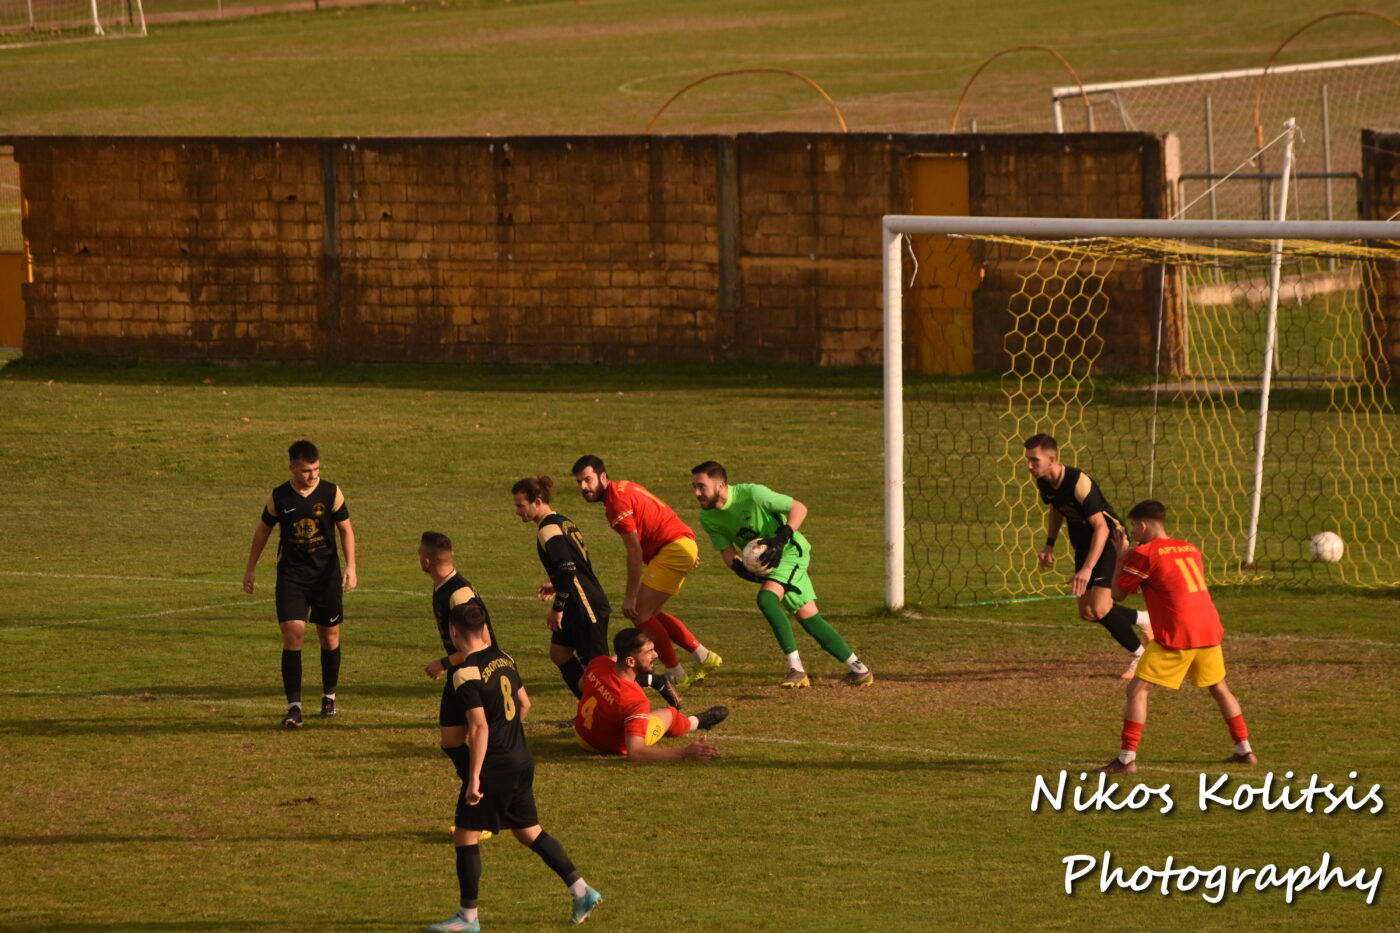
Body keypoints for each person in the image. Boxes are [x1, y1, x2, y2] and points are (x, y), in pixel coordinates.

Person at [428, 602, 601, 932]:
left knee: (465, 835)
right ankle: (582, 890)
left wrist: (474, 778)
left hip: (495, 765)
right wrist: (510, 734)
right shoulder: (504, 658)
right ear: (483, 630)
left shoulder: (465, 673)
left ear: (454, 632)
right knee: (528, 831)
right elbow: (525, 703)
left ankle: (467, 917)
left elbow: (478, 727)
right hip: (521, 757)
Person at [1093, 500, 1256, 774]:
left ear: (1143, 525)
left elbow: (1117, 595)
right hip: (1208, 628)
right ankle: (1245, 750)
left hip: (1178, 633)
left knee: (1137, 691)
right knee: (1219, 688)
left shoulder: (1144, 554)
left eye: (1134, 526)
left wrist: (1121, 557)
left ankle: (1126, 759)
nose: (1133, 532)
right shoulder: (1190, 548)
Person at [690, 460, 873, 688]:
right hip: (769, 564)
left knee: (766, 599)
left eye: (702, 486)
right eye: (694, 487)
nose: (697, 493)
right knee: (809, 618)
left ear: (720, 485)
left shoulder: (753, 494)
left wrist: (780, 539)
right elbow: (728, 553)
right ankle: (860, 670)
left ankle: (796, 669)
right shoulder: (708, 517)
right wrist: (740, 569)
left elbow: (799, 508)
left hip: (790, 552)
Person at [570, 454, 722, 688]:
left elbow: (634, 551)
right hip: (678, 545)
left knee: (639, 613)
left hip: (673, 548)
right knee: (652, 613)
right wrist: (686, 545)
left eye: (588, 480)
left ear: (603, 476)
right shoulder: (624, 487)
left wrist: (630, 596)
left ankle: (675, 673)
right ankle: (703, 656)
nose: (583, 487)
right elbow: (658, 511)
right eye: (579, 482)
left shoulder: (616, 504)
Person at [243, 439, 356, 728]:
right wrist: (251, 568)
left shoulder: (331, 492)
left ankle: (329, 698)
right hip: (291, 577)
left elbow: (346, 529)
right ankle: (294, 708)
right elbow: (263, 531)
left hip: (326, 577)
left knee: (329, 637)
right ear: (293, 468)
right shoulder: (279, 496)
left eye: (316, 469)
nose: (313, 475)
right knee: (293, 635)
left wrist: (351, 566)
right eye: (307, 470)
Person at [1023, 433, 1153, 679]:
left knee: (1100, 607)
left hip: (1109, 540)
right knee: (1088, 612)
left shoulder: (1077, 481)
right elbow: (1056, 508)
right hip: (1085, 545)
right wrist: (1049, 545)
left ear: (1052, 459)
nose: (1029, 465)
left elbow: (1101, 527)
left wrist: (1087, 569)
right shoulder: (1044, 482)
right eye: (1028, 460)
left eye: (1034, 460)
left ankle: (1140, 656)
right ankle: (1144, 619)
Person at [512, 476, 611, 699]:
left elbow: (567, 569)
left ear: (538, 502)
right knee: (560, 652)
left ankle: (654, 681)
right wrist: (557, 584)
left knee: (600, 670)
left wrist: (557, 608)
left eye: (521, 506)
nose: (517, 511)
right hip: (577, 600)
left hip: (585, 605)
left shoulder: (547, 530)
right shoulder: (562, 521)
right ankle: (588, 707)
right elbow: (575, 566)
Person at [574, 627, 727, 760]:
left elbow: (581, 685)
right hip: (610, 747)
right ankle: (696, 722)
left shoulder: (599, 663)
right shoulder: (636, 701)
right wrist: (684, 753)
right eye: (649, 652)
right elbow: (636, 753)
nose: (656, 655)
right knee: (670, 713)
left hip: (582, 737)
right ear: (630, 661)